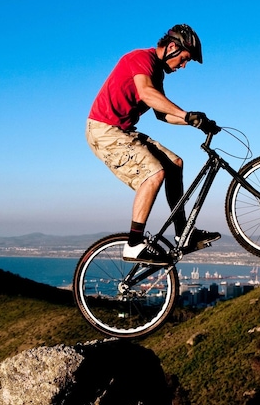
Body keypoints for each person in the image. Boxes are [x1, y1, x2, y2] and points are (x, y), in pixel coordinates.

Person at [86, 24, 221, 264]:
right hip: (104, 130)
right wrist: (186, 114)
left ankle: (183, 233)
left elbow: (161, 114)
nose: (183, 66)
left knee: (175, 163)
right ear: (171, 47)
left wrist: (195, 122)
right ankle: (134, 244)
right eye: (184, 59)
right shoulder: (141, 58)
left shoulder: (155, 73)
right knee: (154, 174)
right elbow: (147, 94)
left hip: (123, 131)